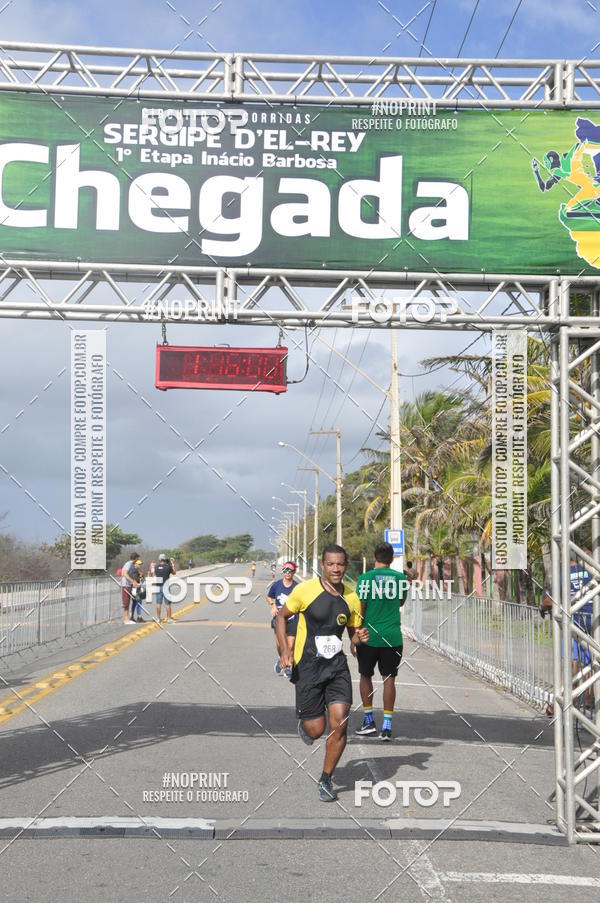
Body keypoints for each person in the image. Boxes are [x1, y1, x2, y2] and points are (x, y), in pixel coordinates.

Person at [277, 544, 368, 803]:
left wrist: (358, 639)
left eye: (340, 564)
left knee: (339, 723)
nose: (336, 569)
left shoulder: (351, 597)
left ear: (346, 566)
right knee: (316, 730)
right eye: (331, 564)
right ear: (323, 565)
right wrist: (285, 651)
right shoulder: (305, 590)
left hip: (336, 667)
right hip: (307, 667)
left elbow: (353, 639)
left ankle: (326, 778)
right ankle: (307, 726)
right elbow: (282, 617)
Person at [354, 542, 408, 741]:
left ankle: (369, 721)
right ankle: (387, 726)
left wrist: (356, 634)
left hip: (369, 636)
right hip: (393, 637)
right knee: (389, 680)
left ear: (374, 557)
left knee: (365, 676)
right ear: (392, 559)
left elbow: (361, 607)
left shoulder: (365, 578)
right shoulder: (401, 578)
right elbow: (400, 602)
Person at [541, 557, 594, 717]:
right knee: (588, 662)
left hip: (574, 622)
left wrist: (542, 607)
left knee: (574, 662)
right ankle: (587, 698)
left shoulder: (564, 573)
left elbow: (551, 599)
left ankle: (574, 699)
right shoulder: (591, 572)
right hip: (592, 620)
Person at [267, 561, 299, 679]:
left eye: (289, 571)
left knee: (290, 645)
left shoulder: (297, 587)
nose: (287, 573)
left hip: (293, 619)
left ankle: (287, 668)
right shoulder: (276, 585)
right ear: (282, 571)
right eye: (285, 570)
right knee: (280, 645)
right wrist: (273, 605)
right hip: (279, 620)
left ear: (294, 572)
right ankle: (281, 659)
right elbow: (269, 596)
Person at [154, 553, 176, 623]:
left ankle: (158, 618)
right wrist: (172, 564)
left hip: (158, 586)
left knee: (158, 603)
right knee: (167, 604)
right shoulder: (168, 567)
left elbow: (154, 575)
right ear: (164, 559)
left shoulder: (156, 567)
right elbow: (174, 573)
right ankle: (169, 619)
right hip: (166, 586)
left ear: (159, 559)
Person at [120, 552, 139, 625]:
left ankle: (127, 618)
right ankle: (126, 619)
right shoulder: (128, 564)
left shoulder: (131, 564)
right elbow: (125, 574)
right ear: (136, 558)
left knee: (127, 602)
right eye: (137, 558)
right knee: (126, 603)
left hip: (128, 585)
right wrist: (132, 581)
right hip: (125, 585)